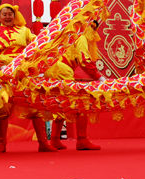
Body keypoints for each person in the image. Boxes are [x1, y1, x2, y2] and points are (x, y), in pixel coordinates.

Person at [45, 20, 107, 150]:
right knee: (80, 102)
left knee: (60, 103)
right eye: (91, 26)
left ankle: (55, 139)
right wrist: (99, 77)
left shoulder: (69, 34)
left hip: (52, 69)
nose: (93, 30)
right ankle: (82, 140)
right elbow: (84, 60)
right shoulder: (81, 36)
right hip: (63, 70)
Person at [0, 4, 37, 153]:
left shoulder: (24, 31)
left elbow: (36, 45)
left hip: (22, 70)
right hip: (3, 70)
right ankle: (0, 143)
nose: (8, 16)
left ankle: (43, 142)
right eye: (5, 14)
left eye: (10, 14)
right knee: (2, 106)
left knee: (34, 104)